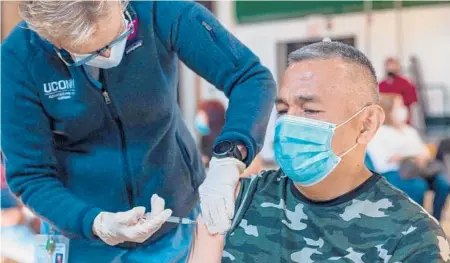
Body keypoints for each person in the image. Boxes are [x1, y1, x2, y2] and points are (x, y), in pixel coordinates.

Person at [1, 1, 276, 262]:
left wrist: (230, 156)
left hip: (174, 221)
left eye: (117, 37)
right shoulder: (18, 58)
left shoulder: (157, 8)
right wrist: (95, 223)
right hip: (79, 234)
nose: (109, 56)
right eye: (92, 53)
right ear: (51, 39)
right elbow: (30, 175)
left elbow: (249, 77)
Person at [187, 41, 450, 263]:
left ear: (367, 124)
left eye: (310, 110)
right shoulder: (237, 199)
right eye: (282, 110)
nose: (288, 123)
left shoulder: (411, 238)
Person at [367, 94, 449, 221]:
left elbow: (424, 151)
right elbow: (384, 161)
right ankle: (416, 223)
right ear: (388, 110)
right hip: (393, 172)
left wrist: (419, 157)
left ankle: (435, 220)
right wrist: (409, 155)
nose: (403, 109)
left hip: (418, 169)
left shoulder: (409, 130)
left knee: (443, 183)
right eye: (399, 106)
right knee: (418, 186)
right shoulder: (380, 132)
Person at [195, 99, 264, 176]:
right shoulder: (205, 139)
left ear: (212, 116)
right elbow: (205, 158)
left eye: (202, 116)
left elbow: (253, 164)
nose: (199, 120)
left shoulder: (232, 138)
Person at [379, 57, 418, 124]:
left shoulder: (406, 83)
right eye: (388, 66)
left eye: (393, 66)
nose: (390, 68)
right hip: (386, 120)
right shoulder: (381, 84)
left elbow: (412, 100)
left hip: (402, 120)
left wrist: (397, 101)